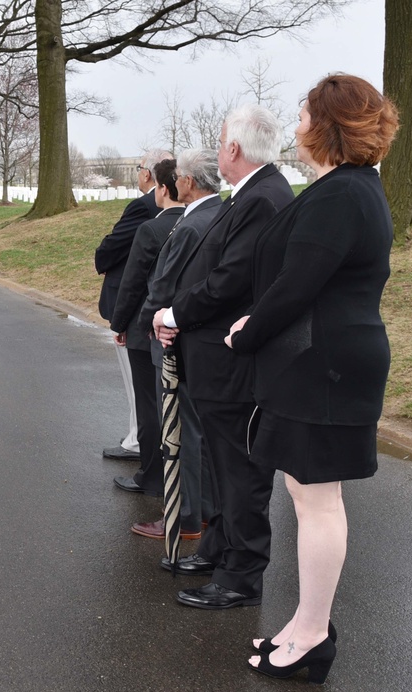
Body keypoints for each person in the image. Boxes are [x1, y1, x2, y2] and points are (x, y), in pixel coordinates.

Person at [225, 75, 398, 683]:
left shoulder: (342, 194)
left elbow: (298, 285)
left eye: (302, 112)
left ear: (325, 125)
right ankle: (305, 627)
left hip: (323, 365)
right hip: (323, 359)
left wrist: (247, 333)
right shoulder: (346, 188)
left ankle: (313, 636)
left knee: (318, 501)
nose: (295, 121)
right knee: (309, 497)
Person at [153, 106, 294, 610]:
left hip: (231, 361)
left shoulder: (264, 197)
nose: (218, 150)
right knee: (219, 461)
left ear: (233, 149)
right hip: (215, 357)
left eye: (219, 142)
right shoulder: (255, 193)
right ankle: (220, 545)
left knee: (239, 468)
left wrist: (174, 312)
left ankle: (242, 573)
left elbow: (230, 282)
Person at [134, 149, 223, 545]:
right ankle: (202, 510)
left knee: (181, 431)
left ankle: (185, 514)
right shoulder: (219, 213)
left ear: (188, 182)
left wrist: (149, 322)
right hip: (200, 338)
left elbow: (163, 285)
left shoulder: (190, 225)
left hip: (174, 339)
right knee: (197, 431)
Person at [108, 158, 184, 520]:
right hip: (183, 324)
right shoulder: (201, 221)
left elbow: (133, 282)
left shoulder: (152, 230)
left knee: (151, 405)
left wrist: (118, 323)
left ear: (163, 188)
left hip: (145, 327)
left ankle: (151, 475)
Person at [95, 149, 171, 477]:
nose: (138, 172)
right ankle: (135, 438)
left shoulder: (144, 206)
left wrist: (100, 259)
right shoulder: (161, 207)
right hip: (151, 304)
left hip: (135, 304)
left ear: (148, 174)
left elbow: (116, 244)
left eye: (140, 167)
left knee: (136, 383)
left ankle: (139, 442)